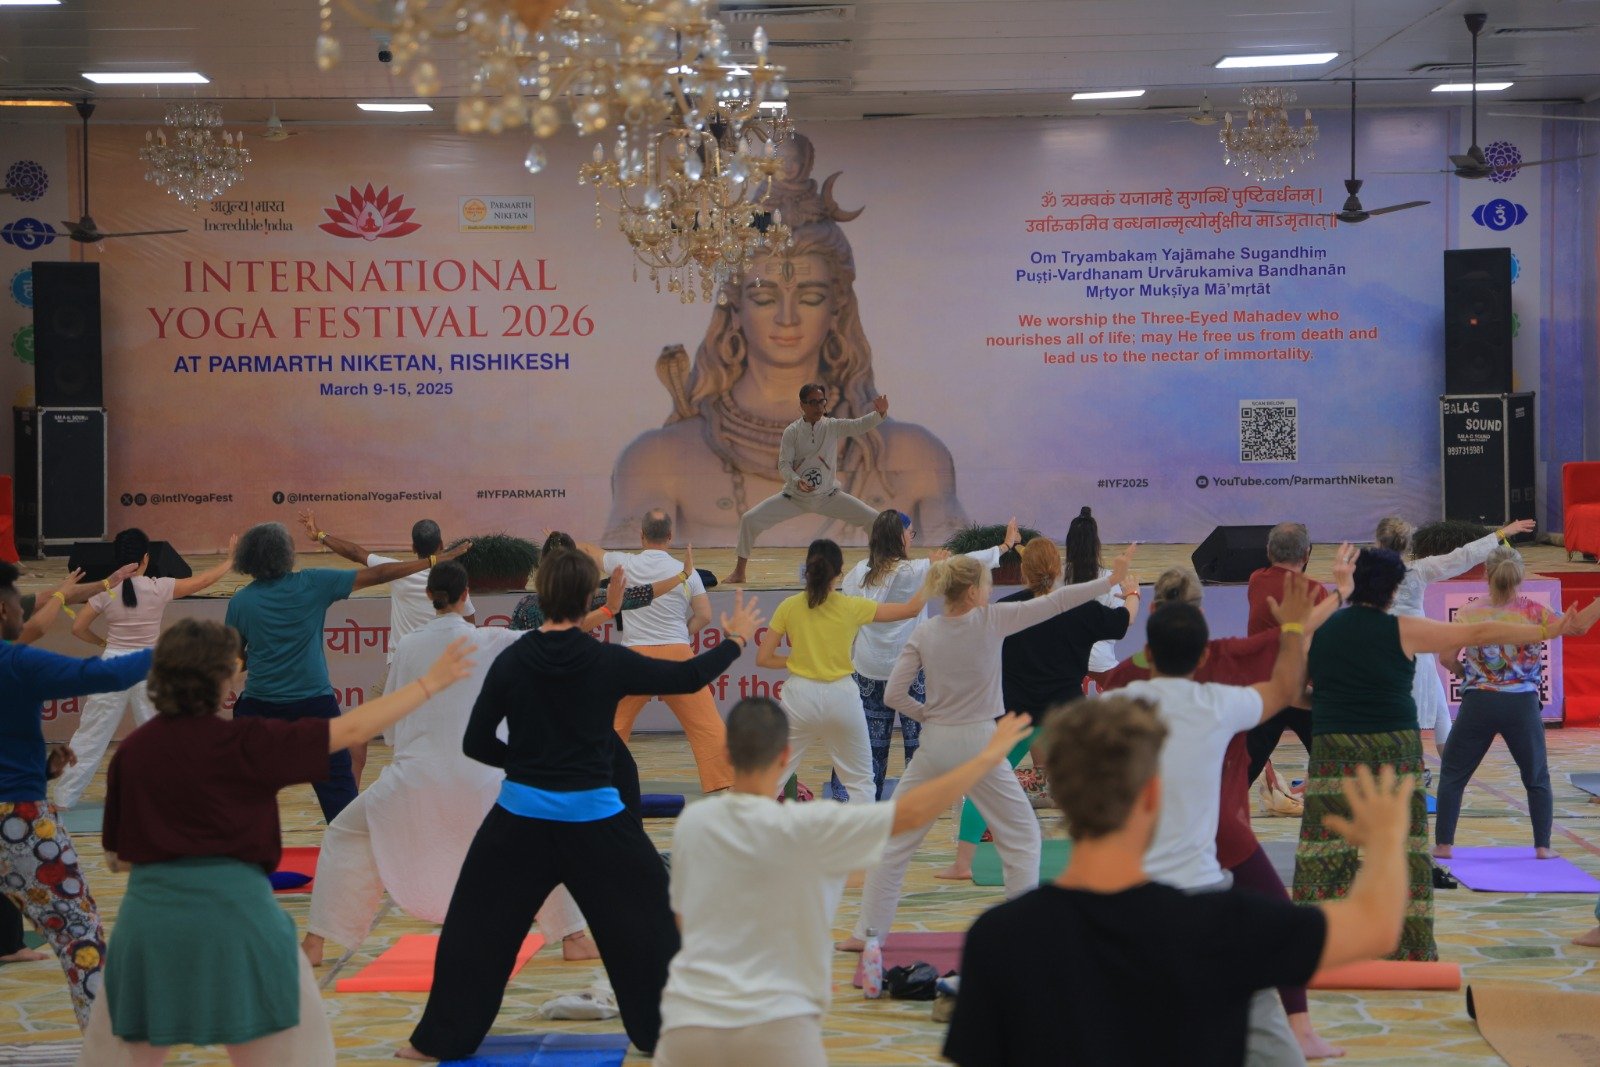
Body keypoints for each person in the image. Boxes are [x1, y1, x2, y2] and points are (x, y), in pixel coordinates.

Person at [401, 549, 764, 1061]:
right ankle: (669, 1037)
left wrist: (526, 766)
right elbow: (687, 678)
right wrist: (736, 639)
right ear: (589, 599)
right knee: (652, 931)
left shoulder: (513, 660)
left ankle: (434, 1041)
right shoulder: (606, 661)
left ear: (542, 595)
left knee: (473, 932)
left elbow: (476, 743)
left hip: (518, 824)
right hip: (598, 825)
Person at [75, 618, 474, 1066]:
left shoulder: (132, 752)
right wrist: (429, 684)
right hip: (239, 916)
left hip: (150, 921)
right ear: (227, 675)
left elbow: (117, 859)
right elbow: (349, 730)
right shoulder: (247, 742)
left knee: (116, 1057)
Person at [943, 695, 1415, 1067]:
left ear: (1060, 794)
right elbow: (1376, 926)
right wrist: (1387, 838)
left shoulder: (998, 937)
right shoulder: (1225, 924)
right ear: (1153, 794)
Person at [604, 132, 966, 550]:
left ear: (837, 309)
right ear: (734, 307)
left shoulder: (912, 455)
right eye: (764, 298)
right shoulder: (661, 456)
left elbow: (961, 569)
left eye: (810, 298)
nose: (787, 318)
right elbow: (629, 571)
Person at [654, 698, 1032, 1067]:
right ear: (785, 755)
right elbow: (912, 813)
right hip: (780, 1023)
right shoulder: (812, 824)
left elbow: (683, 921)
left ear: (726, 753)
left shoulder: (693, 823)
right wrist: (986, 758)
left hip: (688, 1022)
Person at [1098, 560, 1353, 1062]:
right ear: (1200, 614)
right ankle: (1299, 1030)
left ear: (1153, 612)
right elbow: (1288, 655)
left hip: (1151, 836)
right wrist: (1338, 595)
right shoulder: (1222, 662)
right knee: (1280, 922)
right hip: (1222, 828)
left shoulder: (1126, 681)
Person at [1291, 547, 1592, 962]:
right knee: (1405, 848)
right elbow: (1480, 635)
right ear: (1394, 590)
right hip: (1400, 748)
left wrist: (1337, 602)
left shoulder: (1322, 631)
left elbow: (1294, 687)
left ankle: (1312, 944)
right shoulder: (1406, 628)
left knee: (1327, 845)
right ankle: (1410, 948)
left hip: (1336, 747)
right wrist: (1549, 629)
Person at [300, 562, 598, 969]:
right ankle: (574, 937)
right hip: (486, 780)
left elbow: (392, 726)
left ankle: (314, 945)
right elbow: (554, 637)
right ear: (466, 595)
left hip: (413, 780)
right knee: (548, 835)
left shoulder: (407, 646)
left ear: (429, 595)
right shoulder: (490, 639)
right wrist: (607, 609)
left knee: (344, 833)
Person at [840, 546, 1133, 951]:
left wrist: (927, 716)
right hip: (979, 743)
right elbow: (1059, 601)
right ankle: (1022, 933)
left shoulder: (926, 631)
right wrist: (1112, 581)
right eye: (987, 585)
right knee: (1023, 838)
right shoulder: (993, 620)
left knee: (895, 841)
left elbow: (893, 695)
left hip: (935, 744)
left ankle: (866, 933)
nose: (990, 590)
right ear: (973, 592)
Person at [0, 560, 159, 1028]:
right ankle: (109, 1043)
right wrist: (178, 649)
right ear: (1, 610)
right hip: (18, 819)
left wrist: (39, 768)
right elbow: (103, 675)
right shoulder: (15, 663)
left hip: (18, 798)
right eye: (17, 603)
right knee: (78, 931)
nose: (21, 612)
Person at [224, 522, 470, 823]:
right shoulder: (313, 582)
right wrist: (433, 561)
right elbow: (379, 574)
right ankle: (349, 844)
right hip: (314, 705)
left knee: (245, 791)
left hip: (260, 708)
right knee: (339, 799)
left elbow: (235, 660)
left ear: (248, 557)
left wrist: (264, 652)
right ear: (286, 554)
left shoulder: (240, 602)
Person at [938, 536, 1136, 882]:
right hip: (1066, 717)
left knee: (984, 785)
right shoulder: (1080, 608)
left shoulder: (1006, 610)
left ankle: (962, 864)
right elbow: (1123, 621)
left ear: (1023, 573)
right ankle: (1107, 853)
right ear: (1058, 570)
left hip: (1015, 717)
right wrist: (1132, 592)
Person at [833, 511, 1018, 800]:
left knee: (869, 746)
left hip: (868, 670)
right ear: (899, 538)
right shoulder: (916, 571)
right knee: (919, 744)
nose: (911, 539)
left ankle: (860, 803)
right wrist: (1005, 546)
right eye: (909, 534)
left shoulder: (856, 575)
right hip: (909, 672)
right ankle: (919, 801)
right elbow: (967, 562)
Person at [54, 528, 237, 809]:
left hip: (111, 666)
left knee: (90, 736)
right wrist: (229, 561)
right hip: (148, 668)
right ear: (146, 559)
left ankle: (63, 800)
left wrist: (103, 642)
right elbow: (201, 581)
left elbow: (78, 628)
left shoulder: (106, 590)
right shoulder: (158, 587)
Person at [296, 512, 477, 786]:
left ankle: (349, 795)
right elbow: (470, 626)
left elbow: (355, 553)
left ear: (412, 547)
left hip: (400, 671)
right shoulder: (451, 582)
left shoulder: (396, 571)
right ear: (441, 545)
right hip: (441, 675)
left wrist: (320, 535)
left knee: (357, 733)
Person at [1434, 546, 1587, 863]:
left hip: (1479, 703)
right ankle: (1542, 847)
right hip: (1522, 705)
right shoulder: (1535, 612)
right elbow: (1578, 627)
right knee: (1536, 777)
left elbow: (1446, 658)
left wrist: (1466, 673)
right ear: (1521, 577)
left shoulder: (1469, 612)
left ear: (1486, 574)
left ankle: (1444, 845)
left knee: (1453, 773)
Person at [755, 539, 929, 804]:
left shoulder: (788, 606)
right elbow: (912, 609)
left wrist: (799, 661)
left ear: (807, 570)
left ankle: (748, 830)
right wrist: (933, 576)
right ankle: (865, 833)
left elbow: (764, 658)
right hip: (842, 697)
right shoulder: (852, 606)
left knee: (770, 778)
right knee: (861, 782)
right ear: (839, 572)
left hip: (799, 697)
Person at [1376, 515, 1536, 752]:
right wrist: (1502, 533)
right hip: (1415, 650)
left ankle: (1443, 765)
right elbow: (1463, 556)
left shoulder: (1365, 572)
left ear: (1378, 542)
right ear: (1407, 545)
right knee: (1436, 712)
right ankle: (1437, 765)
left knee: (1431, 710)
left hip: (1381, 649)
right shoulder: (1418, 570)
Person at [601, 509, 732, 793]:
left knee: (610, 726)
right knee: (707, 726)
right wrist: (682, 634)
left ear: (641, 536)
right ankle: (725, 787)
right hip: (677, 655)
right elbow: (704, 616)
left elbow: (591, 553)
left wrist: (562, 541)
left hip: (633, 658)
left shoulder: (623, 563)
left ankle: (597, 783)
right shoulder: (687, 573)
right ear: (670, 537)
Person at [721, 384, 889, 585]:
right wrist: (796, 480)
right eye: (813, 402)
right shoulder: (792, 432)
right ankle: (739, 572)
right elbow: (784, 465)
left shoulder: (832, 426)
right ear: (802, 405)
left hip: (829, 497)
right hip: (795, 497)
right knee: (749, 519)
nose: (818, 406)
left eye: (821, 401)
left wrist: (879, 413)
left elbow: (859, 425)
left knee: (875, 520)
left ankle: (875, 568)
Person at [1244, 522, 1329, 788]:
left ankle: (1215, 811)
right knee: (1331, 762)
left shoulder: (1256, 580)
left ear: (1269, 551)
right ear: (1306, 554)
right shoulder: (1316, 590)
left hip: (1265, 689)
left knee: (1243, 769)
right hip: (1301, 690)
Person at [511, 531, 691, 632]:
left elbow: (509, 649)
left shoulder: (526, 605)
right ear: (577, 564)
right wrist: (682, 575)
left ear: (543, 565)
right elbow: (640, 594)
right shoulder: (588, 598)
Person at [1064, 507, 1128, 687]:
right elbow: (1120, 623)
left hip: (1064, 661)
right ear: (1096, 545)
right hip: (1102, 662)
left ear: (1069, 544)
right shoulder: (1110, 579)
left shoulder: (1056, 577)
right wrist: (1134, 594)